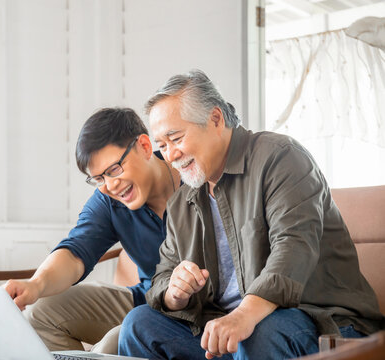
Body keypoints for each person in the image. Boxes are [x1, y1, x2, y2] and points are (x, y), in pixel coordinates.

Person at [118, 69, 385, 360]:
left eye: (176, 138)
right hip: (231, 329)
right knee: (138, 325)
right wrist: (174, 293)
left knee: (256, 332)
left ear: (216, 119)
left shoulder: (281, 157)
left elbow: (293, 247)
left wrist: (243, 316)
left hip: (317, 319)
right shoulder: (183, 201)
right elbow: (163, 276)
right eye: (162, 146)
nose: (169, 155)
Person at [4, 107, 181, 354]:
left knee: (110, 346)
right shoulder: (109, 200)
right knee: (40, 311)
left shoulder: (192, 173)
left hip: (196, 311)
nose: (110, 185)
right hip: (147, 300)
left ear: (144, 146)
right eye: (98, 178)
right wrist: (36, 284)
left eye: (114, 170)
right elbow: (76, 252)